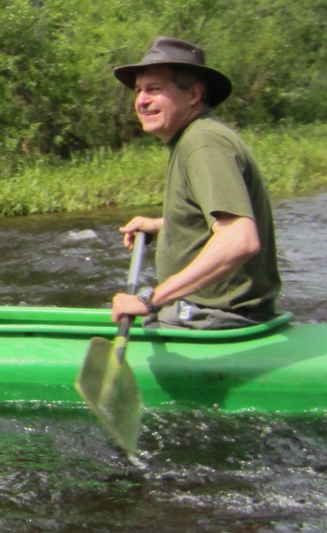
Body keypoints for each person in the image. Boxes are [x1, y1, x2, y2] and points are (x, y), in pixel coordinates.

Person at [110, 37, 281, 329]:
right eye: (138, 90)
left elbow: (240, 239)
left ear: (193, 95)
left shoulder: (203, 144)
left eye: (154, 89)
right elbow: (214, 223)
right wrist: (164, 225)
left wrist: (152, 299)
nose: (141, 100)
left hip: (215, 318)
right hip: (208, 311)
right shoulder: (195, 137)